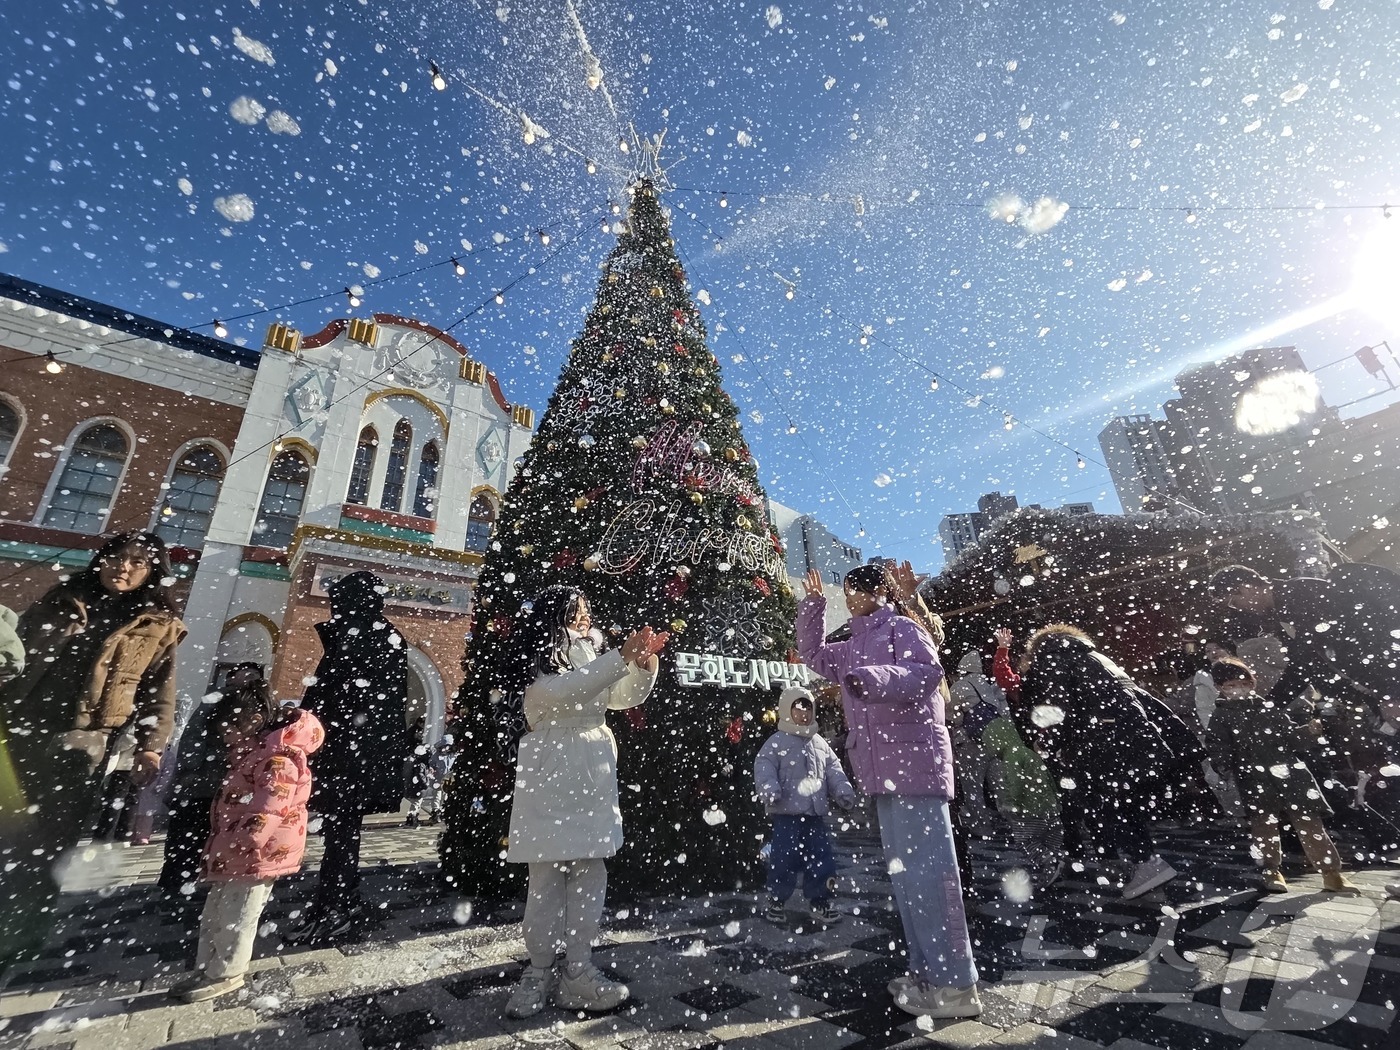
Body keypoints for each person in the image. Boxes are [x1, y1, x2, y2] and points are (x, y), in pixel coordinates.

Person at [797, 564, 981, 1020]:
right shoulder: (852, 644)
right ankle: (927, 973)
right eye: (845, 592)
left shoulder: (903, 627)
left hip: (914, 764)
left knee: (930, 873)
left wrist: (874, 679)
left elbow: (926, 672)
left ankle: (956, 984)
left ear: (879, 590)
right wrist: (813, 606)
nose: (849, 599)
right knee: (907, 877)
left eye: (854, 590)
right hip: (884, 772)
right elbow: (813, 655)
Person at [0, 532, 186, 965]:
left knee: (50, 839)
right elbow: (16, 651)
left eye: (137, 562)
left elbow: (159, 693)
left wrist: (150, 747)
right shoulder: (62, 599)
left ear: (152, 573)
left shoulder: (158, 626)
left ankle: (20, 933)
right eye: (116, 557)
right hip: (20, 723)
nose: (123, 567)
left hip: (85, 740)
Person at [499, 585, 667, 1019]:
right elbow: (560, 692)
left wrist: (641, 666)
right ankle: (538, 971)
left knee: (590, 871)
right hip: (552, 771)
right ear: (555, 616)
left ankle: (578, 969)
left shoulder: (590, 654)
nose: (585, 617)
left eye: (587, 610)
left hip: (592, 771)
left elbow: (618, 695)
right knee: (545, 877)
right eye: (577, 610)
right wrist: (619, 659)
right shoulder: (538, 661)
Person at [1017, 623, 1212, 900]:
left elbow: (1060, 708)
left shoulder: (1054, 659)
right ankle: (1143, 864)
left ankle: (1145, 863)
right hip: (1130, 735)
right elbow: (1133, 697)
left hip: (1103, 740)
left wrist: (1049, 743)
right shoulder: (1094, 656)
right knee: (1122, 802)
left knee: (1107, 805)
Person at [169, 678, 324, 1002]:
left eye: (228, 730)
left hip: (256, 854)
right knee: (216, 912)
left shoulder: (277, 758)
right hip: (235, 850)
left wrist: (248, 837)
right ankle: (208, 968)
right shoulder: (252, 754)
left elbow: (272, 804)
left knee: (237, 916)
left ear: (252, 721)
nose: (224, 738)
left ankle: (227, 972)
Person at [287, 571, 410, 946]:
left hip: (347, 754)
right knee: (343, 831)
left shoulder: (361, 638)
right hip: (357, 754)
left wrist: (309, 728)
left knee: (340, 833)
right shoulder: (379, 636)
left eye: (338, 601)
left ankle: (334, 907)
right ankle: (342, 898)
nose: (333, 608)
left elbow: (334, 698)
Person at [1204, 656, 1357, 894]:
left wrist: (1309, 731)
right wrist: (1225, 767)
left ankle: (1331, 873)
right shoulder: (1221, 716)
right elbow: (1217, 746)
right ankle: (1271, 870)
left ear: (1252, 683)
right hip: (1254, 778)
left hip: (1290, 774)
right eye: (1231, 686)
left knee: (1310, 823)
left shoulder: (1267, 708)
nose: (1239, 690)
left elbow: (1290, 738)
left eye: (1244, 684)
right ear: (1220, 688)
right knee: (1264, 827)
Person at [158, 664, 266, 906]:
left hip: (222, 782)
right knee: (188, 834)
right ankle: (177, 884)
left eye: (254, 676)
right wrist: (192, 766)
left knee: (202, 834)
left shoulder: (250, 701)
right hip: (202, 781)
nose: (249, 679)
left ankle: (189, 882)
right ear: (231, 677)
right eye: (245, 674)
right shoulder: (219, 699)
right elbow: (193, 734)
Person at [754, 686, 857, 927]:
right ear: (786, 710)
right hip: (787, 814)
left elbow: (833, 769)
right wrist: (769, 789)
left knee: (821, 858)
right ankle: (777, 899)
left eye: (808, 709)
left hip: (814, 815)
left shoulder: (819, 742)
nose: (804, 714)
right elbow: (764, 766)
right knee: (783, 858)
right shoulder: (777, 742)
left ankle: (820, 900)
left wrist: (842, 790)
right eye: (798, 709)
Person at [982, 708, 1062, 885]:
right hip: (1048, 805)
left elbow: (1015, 783)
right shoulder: (1026, 751)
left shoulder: (1011, 756)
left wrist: (1011, 803)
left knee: (1025, 840)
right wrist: (1056, 799)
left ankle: (1050, 863)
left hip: (1029, 808)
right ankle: (1053, 866)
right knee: (1049, 840)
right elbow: (1047, 776)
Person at [949, 649, 1007, 832]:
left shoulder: (959, 687)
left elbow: (951, 715)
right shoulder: (990, 686)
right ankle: (1015, 823)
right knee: (999, 784)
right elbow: (1004, 713)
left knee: (972, 786)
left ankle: (981, 825)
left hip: (971, 743)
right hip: (995, 741)